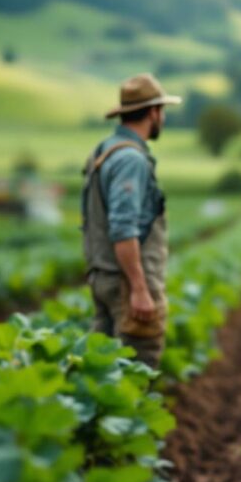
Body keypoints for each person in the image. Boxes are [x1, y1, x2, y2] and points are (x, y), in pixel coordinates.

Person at [81, 73, 181, 368]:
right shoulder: (130, 159)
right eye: (162, 111)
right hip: (126, 284)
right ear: (153, 113)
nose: (162, 118)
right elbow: (123, 229)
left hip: (103, 275)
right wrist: (139, 288)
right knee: (138, 365)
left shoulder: (103, 151)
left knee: (104, 369)